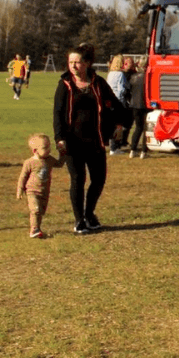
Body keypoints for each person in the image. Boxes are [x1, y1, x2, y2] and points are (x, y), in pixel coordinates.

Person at [53, 43, 128, 235]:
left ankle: (89, 214)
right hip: (73, 143)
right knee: (78, 179)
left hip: (95, 141)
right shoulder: (65, 84)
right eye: (71, 62)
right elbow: (58, 113)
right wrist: (60, 138)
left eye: (77, 62)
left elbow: (117, 106)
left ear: (87, 63)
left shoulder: (98, 82)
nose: (73, 66)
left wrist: (119, 124)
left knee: (99, 179)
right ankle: (79, 221)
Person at [16, 133, 64, 239]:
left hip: (44, 192)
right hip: (32, 191)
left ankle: (38, 228)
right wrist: (20, 189)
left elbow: (60, 164)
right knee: (35, 209)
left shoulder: (49, 160)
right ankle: (34, 229)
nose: (49, 150)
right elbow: (23, 177)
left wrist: (62, 152)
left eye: (49, 146)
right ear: (35, 151)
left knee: (41, 212)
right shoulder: (29, 163)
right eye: (45, 148)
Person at [106, 55, 130, 155]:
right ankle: (114, 148)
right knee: (119, 126)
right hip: (119, 102)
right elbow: (121, 89)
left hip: (110, 102)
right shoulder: (120, 74)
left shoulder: (110, 74)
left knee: (112, 125)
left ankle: (112, 145)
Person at [126, 58, 148, 158]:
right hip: (145, 104)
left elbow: (128, 90)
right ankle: (144, 151)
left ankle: (133, 149)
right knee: (146, 129)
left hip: (134, 104)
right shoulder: (148, 77)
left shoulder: (133, 77)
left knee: (138, 128)